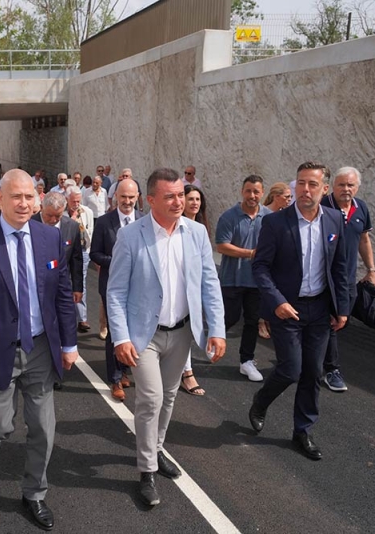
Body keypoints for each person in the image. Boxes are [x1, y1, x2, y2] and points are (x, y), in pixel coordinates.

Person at [0, 169, 78, 531]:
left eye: (29, 197)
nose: (23, 203)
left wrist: (69, 344)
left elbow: (62, 295)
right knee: (0, 425)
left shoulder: (50, 238)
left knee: (43, 427)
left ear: (38, 200)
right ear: (0, 200)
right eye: (15, 197)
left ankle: (34, 493)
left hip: (40, 348)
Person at [106, 168, 226, 506]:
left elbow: (209, 284)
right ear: (152, 200)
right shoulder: (131, 236)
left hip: (183, 331)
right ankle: (146, 471)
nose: (179, 202)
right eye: (170, 196)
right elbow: (115, 292)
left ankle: (156, 450)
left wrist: (216, 328)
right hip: (144, 336)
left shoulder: (197, 232)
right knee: (151, 399)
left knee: (170, 396)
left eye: (181, 195)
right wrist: (120, 338)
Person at [249, 162, 349, 461]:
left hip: (319, 308)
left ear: (325, 189)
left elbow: (340, 267)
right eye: (301, 183)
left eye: (313, 184)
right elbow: (260, 266)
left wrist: (341, 307)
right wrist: (277, 301)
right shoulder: (276, 223)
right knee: (291, 369)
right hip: (286, 309)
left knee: (312, 372)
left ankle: (302, 431)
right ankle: (261, 401)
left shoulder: (334, 220)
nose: (306, 190)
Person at [320, 166, 375, 392]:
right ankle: (331, 370)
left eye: (350, 185)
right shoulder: (322, 206)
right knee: (331, 321)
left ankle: (314, 355)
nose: (346, 189)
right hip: (323, 279)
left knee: (340, 320)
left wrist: (371, 269)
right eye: (341, 184)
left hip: (347, 279)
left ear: (357, 187)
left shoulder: (361, 207)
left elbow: (364, 239)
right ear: (332, 186)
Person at [89, 179, 144, 401]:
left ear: (137, 197)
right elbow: (95, 254)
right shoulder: (103, 222)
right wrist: (120, 261)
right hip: (112, 286)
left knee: (131, 330)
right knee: (114, 331)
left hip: (139, 288)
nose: (128, 201)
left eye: (132, 197)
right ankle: (114, 379)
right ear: (115, 198)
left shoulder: (145, 221)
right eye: (123, 197)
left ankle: (123, 369)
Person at [216, 175, 270, 382]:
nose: (252, 195)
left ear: (262, 193)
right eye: (248, 191)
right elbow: (221, 246)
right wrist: (250, 253)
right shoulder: (229, 217)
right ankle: (199, 345)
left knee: (252, 321)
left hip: (257, 281)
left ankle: (246, 361)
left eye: (256, 192)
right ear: (242, 192)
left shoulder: (269, 217)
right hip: (232, 279)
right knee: (229, 318)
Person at [180, 184, 211, 396]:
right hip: (176, 288)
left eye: (198, 200)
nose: (195, 203)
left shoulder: (200, 229)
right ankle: (187, 373)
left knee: (188, 331)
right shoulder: (176, 227)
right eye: (191, 199)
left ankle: (185, 370)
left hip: (195, 288)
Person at [259, 182, 292, 339]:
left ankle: (270, 320)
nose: (289, 200)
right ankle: (261, 321)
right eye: (286, 197)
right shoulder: (265, 215)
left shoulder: (285, 215)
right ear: (276, 197)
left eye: (290, 197)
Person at [66, 186, 94, 333]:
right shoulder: (62, 213)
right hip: (65, 252)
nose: (76, 204)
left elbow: (91, 231)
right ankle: (68, 315)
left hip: (82, 251)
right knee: (66, 282)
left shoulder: (87, 212)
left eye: (78, 201)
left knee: (79, 281)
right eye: (73, 201)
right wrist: (71, 220)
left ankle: (82, 318)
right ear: (67, 200)